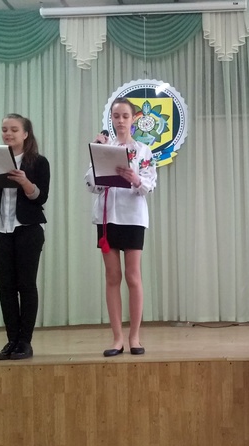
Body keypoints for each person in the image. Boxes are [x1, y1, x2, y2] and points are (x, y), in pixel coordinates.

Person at [85, 97, 157, 357]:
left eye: (125, 116)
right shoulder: (103, 148)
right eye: (116, 116)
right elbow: (90, 184)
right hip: (107, 218)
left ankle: (134, 336)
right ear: (111, 119)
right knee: (112, 276)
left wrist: (135, 178)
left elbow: (149, 185)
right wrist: (97, 152)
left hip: (133, 218)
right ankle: (117, 338)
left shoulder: (143, 150)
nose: (120, 120)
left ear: (133, 118)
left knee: (133, 276)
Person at [0, 113, 50, 360]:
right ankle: (11, 340)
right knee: (6, 287)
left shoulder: (38, 162)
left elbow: (41, 197)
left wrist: (25, 182)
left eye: (13, 129)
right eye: (4, 130)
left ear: (25, 134)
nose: (8, 134)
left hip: (28, 228)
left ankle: (25, 342)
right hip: (0, 227)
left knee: (26, 285)